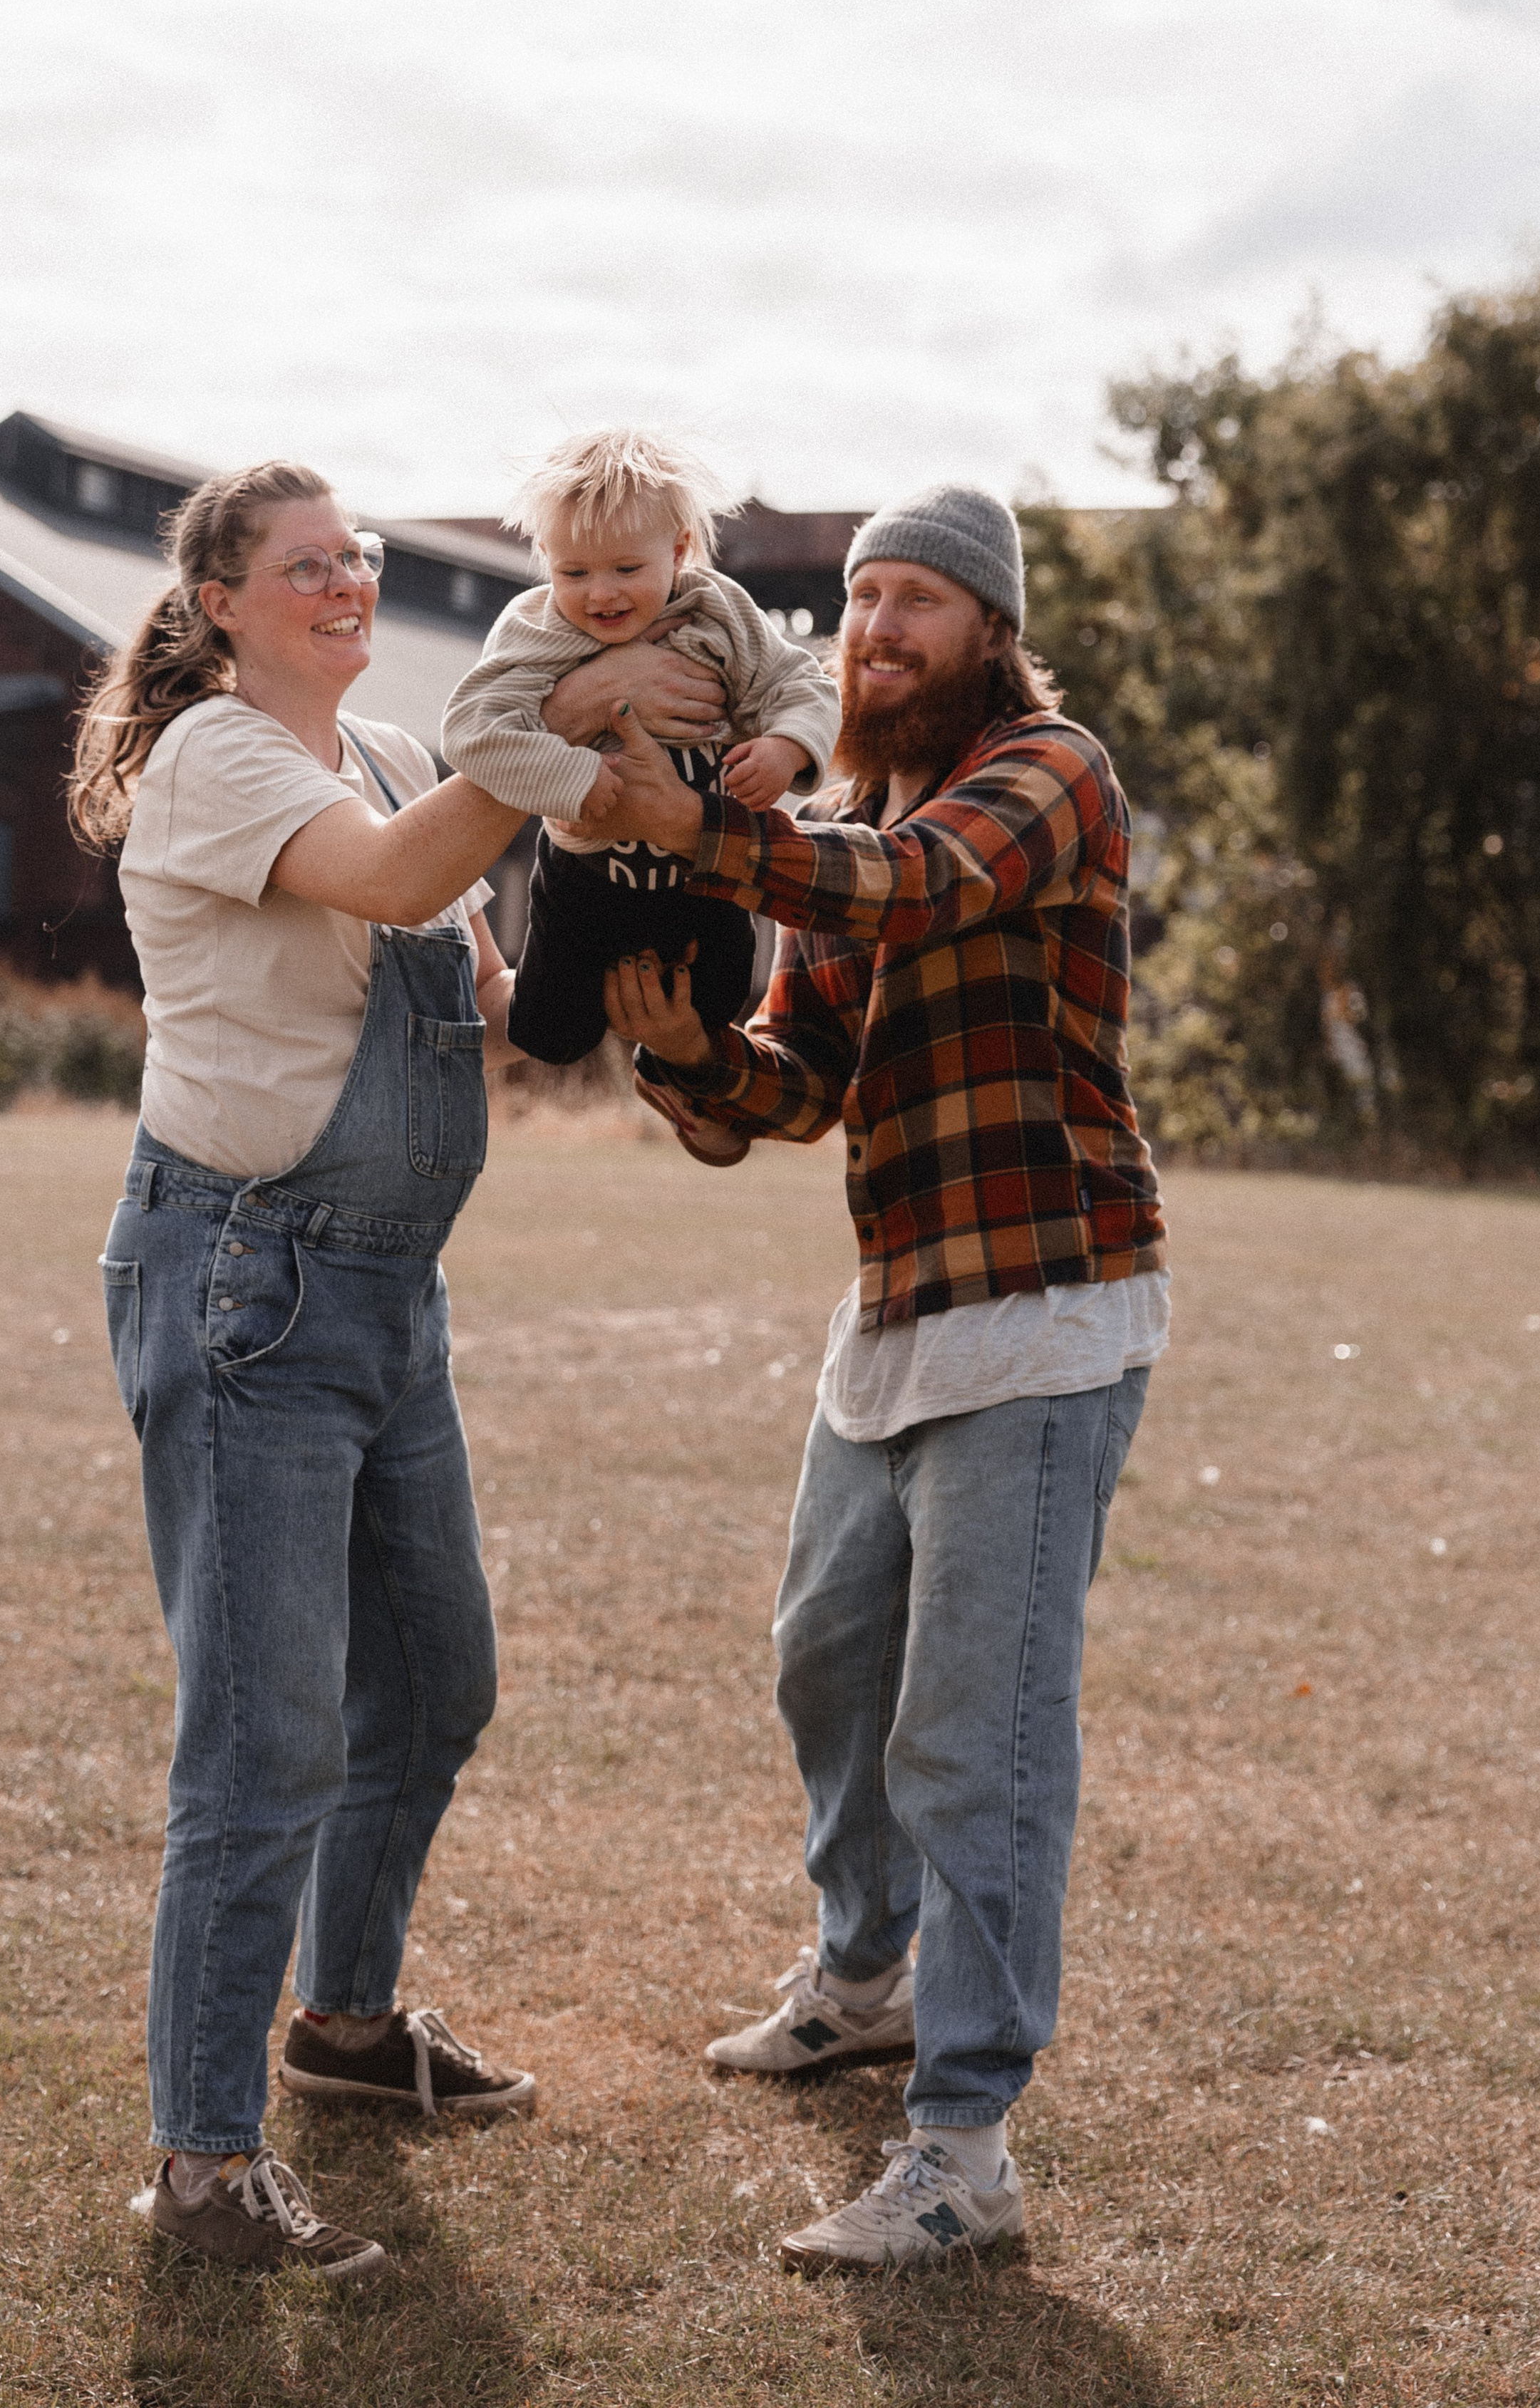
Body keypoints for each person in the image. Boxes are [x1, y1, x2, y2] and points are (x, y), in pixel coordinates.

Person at [589, 482, 1169, 2275]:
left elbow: (922, 884)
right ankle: (862, 1977)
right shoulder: (843, 827)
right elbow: (797, 1082)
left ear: (989, 628)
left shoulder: (1047, 773)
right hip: (899, 1311)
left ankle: (963, 2143)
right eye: (861, 601)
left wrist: (695, 827)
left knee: (974, 1732)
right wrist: (691, 1059)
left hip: (1046, 1309)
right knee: (825, 1661)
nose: (878, 631)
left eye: (919, 599)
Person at [68, 462, 538, 2280]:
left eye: (358, 556)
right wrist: (560, 730)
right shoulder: (213, 758)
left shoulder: (402, 756)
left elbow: (490, 996)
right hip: (243, 1286)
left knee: (430, 1677)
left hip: (385, 1290)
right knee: (263, 1740)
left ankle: (343, 2024)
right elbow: (404, 881)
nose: (348, 582)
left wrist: (681, 954)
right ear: (219, 606)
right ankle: (201, 2167)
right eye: (305, 565)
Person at [440, 427, 839, 1068]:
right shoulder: (535, 629)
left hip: (703, 871)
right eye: (574, 572)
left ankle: (673, 1066)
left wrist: (787, 747)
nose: (601, 593)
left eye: (627, 569)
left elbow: (801, 684)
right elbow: (472, 729)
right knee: (550, 1033)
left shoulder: (719, 612)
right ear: (545, 559)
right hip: (584, 877)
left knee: (715, 1005)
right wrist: (572, 772)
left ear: (678, 551)